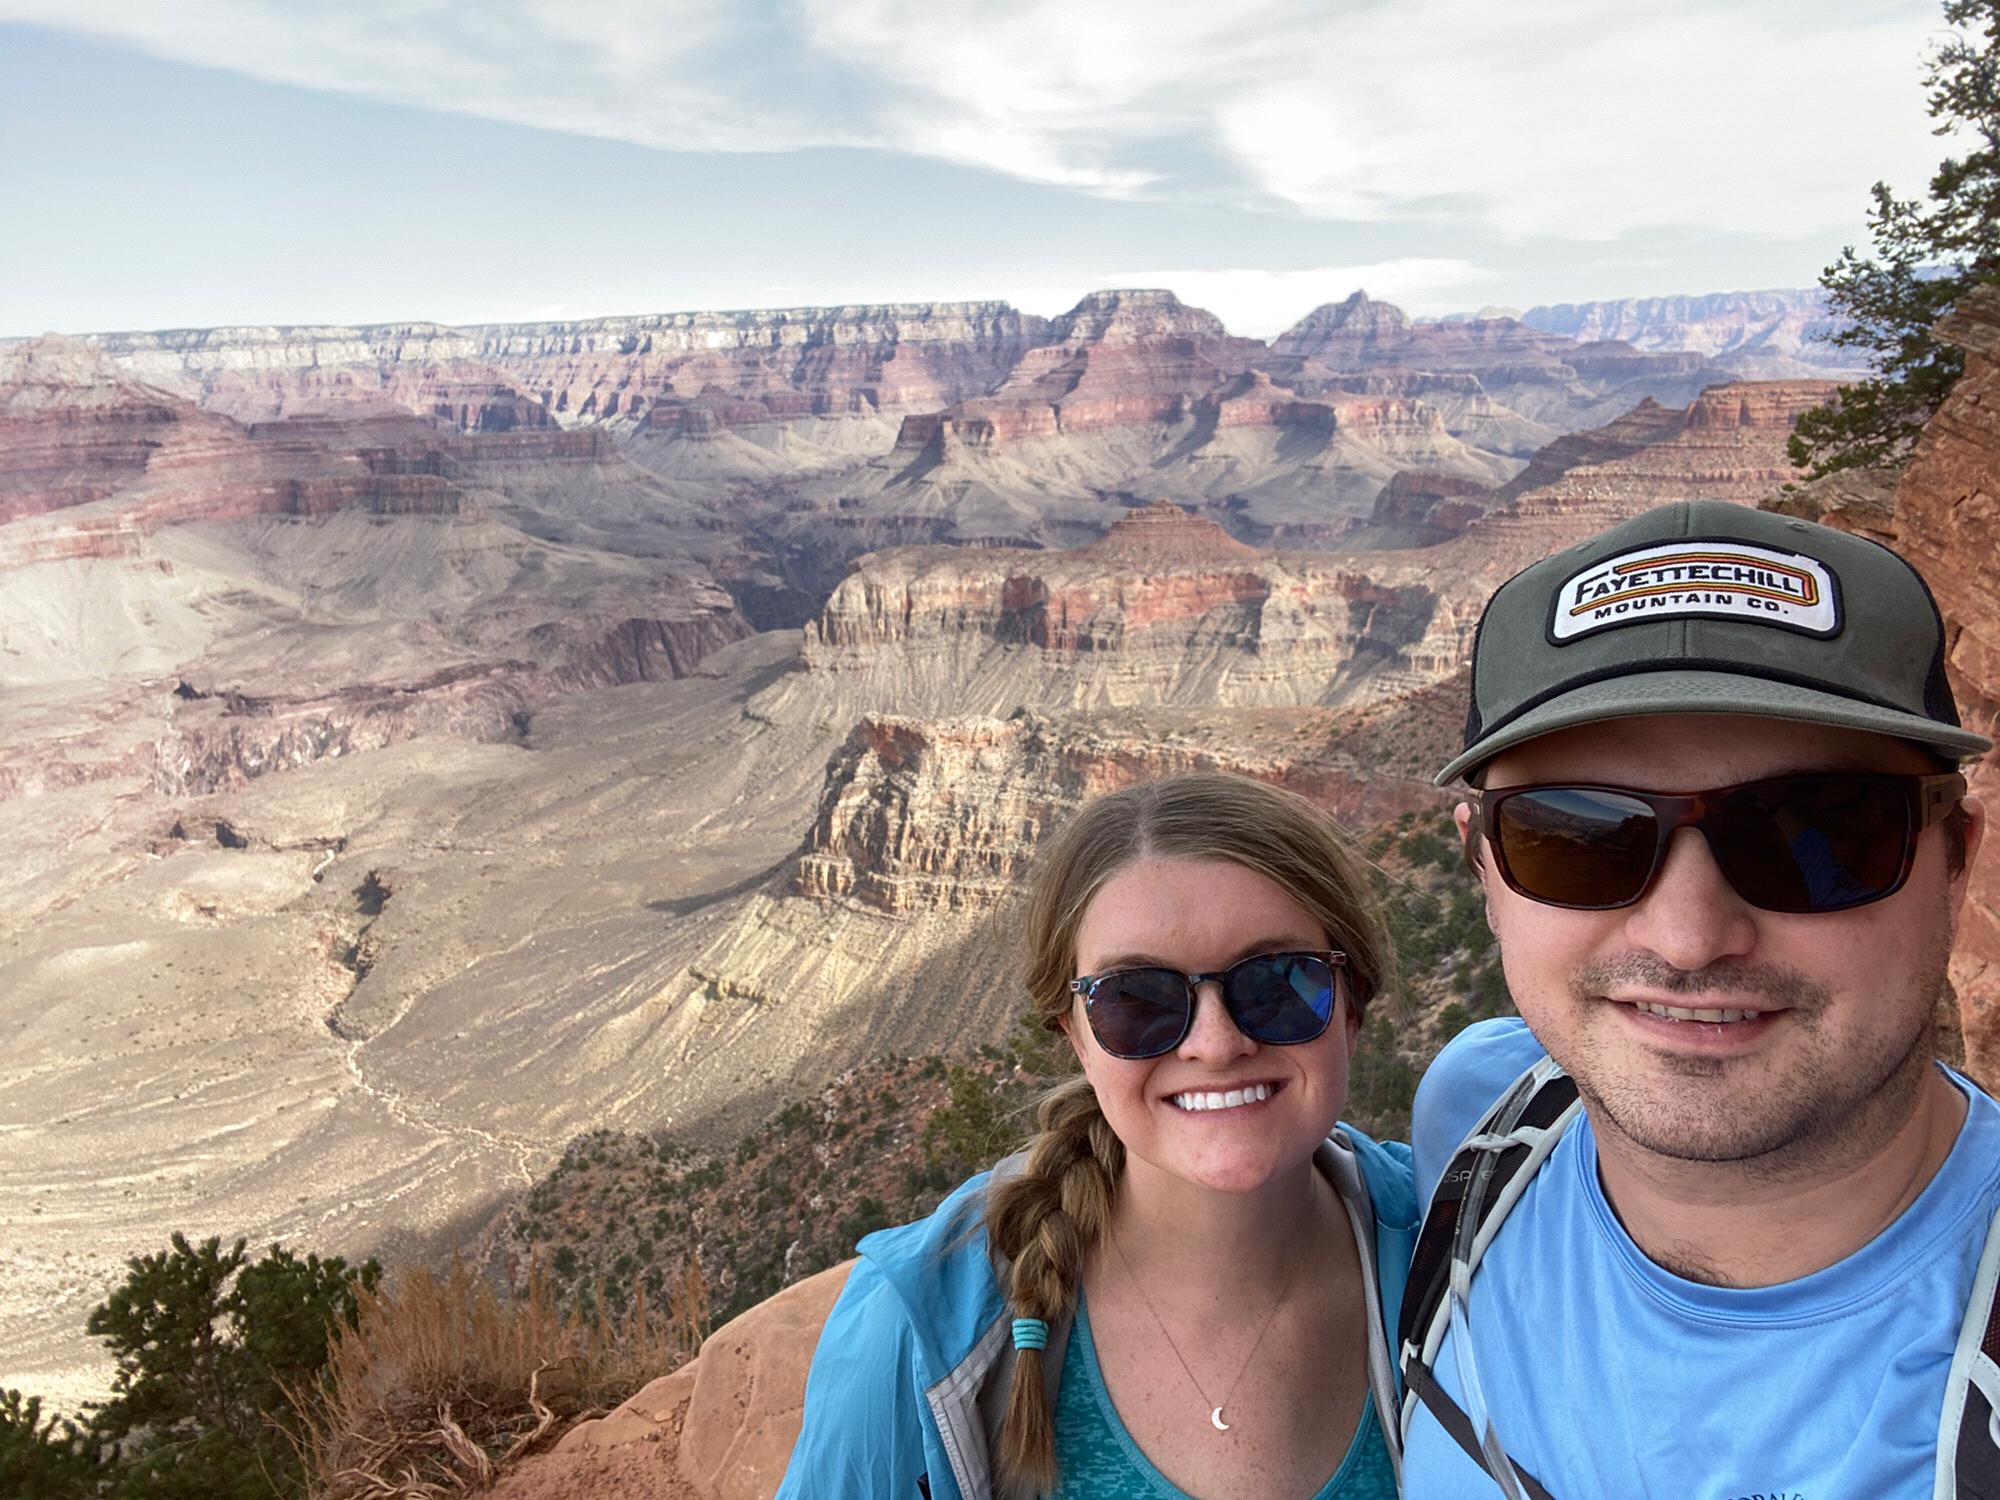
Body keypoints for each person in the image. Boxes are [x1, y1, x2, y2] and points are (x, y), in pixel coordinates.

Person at [1399, 499, 1999, 1497]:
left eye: (1817, 832)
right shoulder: (1480, 1122)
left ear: (1953, 866)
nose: (1685, 937)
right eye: (1575, 834)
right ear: (1483, 873)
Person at [777, 772, 1416, 1499]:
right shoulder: (923, 1331)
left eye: (1276, 982)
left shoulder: (1460, 1259)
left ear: (1352, 1006)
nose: (1215, 1042)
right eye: (1138, 1000)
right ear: (1076, 1036)